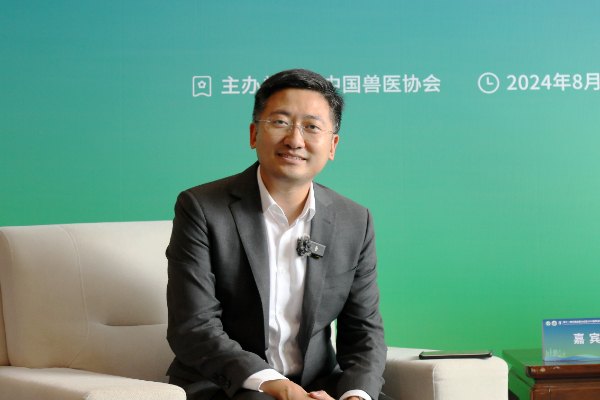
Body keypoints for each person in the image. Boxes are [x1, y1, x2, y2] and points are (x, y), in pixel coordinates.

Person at [166, 69, 388, 400]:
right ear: (254, 133)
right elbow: (194, 328)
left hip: (318, 387)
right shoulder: (201, 208)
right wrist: (280, 387)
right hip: (231, 387)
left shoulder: (354, 220)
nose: (295, 140)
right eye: (280, 122)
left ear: (332, 145)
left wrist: (355, 396)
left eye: (312, 127)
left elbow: (364, 333)